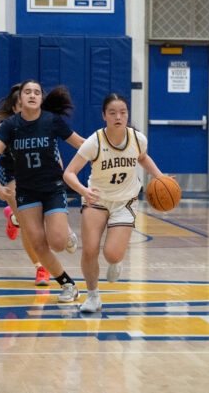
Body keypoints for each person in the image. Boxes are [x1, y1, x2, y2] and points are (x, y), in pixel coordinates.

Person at [0, 80, 84, 303]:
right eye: (27, 92)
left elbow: (81, 144)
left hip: (52, 188)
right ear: (20, 99)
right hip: (25, 190)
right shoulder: (9, 126)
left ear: (41, 99)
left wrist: (108, 149)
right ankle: (67, 284)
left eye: (36, 92)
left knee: (57, 243)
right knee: (37, 243)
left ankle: (49, 226)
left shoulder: (51, 120)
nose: (32, 95)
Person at [63, 93, 165, 313]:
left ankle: (116, 260)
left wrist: (160, 177)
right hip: (96, 199)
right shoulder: (94, 142)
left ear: (127, 114)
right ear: (104, 116)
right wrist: (83, 190)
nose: (118, 117)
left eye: (122, 112)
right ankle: (93, 296)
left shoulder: (138, 139)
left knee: (111, 254)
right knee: (89, 249)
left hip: (125, 201)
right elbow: (69, 173)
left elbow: (142, 157)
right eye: (112, 113)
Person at [0, 83, 50, 286]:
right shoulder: (4, 129)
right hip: (12, 177)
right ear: (14, 109)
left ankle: (13, 218)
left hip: (37, 176)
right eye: (22, 106)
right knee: (31, 226)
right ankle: (41, 267)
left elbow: (54, 155)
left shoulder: (43, 126)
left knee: (36, 221)